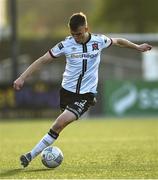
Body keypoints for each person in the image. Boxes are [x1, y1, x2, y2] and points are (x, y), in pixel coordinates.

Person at [13, 12, 152, 168]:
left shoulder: (99, 41)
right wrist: (22, 77)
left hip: (86, 94)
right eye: (73, 35)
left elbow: (118, 41)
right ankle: (34, 153)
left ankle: (29, 156)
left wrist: (137, 47)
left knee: (59, 123)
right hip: (66, 92)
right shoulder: (66, 44)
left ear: (87, 28)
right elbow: (43, 60)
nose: (76, 38)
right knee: (59, 126)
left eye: (79, 34)